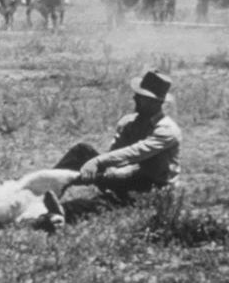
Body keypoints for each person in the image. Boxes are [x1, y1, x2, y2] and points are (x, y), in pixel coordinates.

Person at [53, 70, 181, 208]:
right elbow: (116, 153)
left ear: (154, 103)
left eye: (141, 96)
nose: (134, 98)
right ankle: (45, 192)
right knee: (81, 151)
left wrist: (98, 163)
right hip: (128, 177)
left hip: (152, 188)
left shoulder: (167, 130)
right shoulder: (130, 122)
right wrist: (106, 171)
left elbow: (135, 153)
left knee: (78, 208)